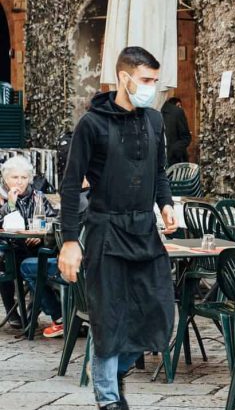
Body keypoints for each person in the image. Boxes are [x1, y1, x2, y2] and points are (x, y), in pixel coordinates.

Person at [58, 46, 178, 410]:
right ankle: (108, 398)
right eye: (145, 80)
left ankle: (117, 370)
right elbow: (69, 184)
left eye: (155, 81)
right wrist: (69, 241)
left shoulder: (155, 121)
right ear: (124, 78)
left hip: (144, 230)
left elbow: (158, 172)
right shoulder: (91, 124)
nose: (151, 88)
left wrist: (167, 204)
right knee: (109, 317)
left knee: (158, 312)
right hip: (104, 230)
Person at [0, 156, 57, 332]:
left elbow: (52, 221)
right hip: (10, 248)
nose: (20, 182)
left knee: (39, 260)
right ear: (6, 179)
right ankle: (14, 313)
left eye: (24, 177)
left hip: (36, 248)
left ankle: (33, 313)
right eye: (15, 177)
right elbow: (3, 224)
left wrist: (41, 237)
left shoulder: (38, 197)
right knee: (5, 262)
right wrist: (10, 203)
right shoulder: (3, 199)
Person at [159, 97, 192, 165]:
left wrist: (172, 150)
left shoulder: (176, 112)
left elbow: (186, 137)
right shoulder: (144, 111)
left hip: (172, 162)